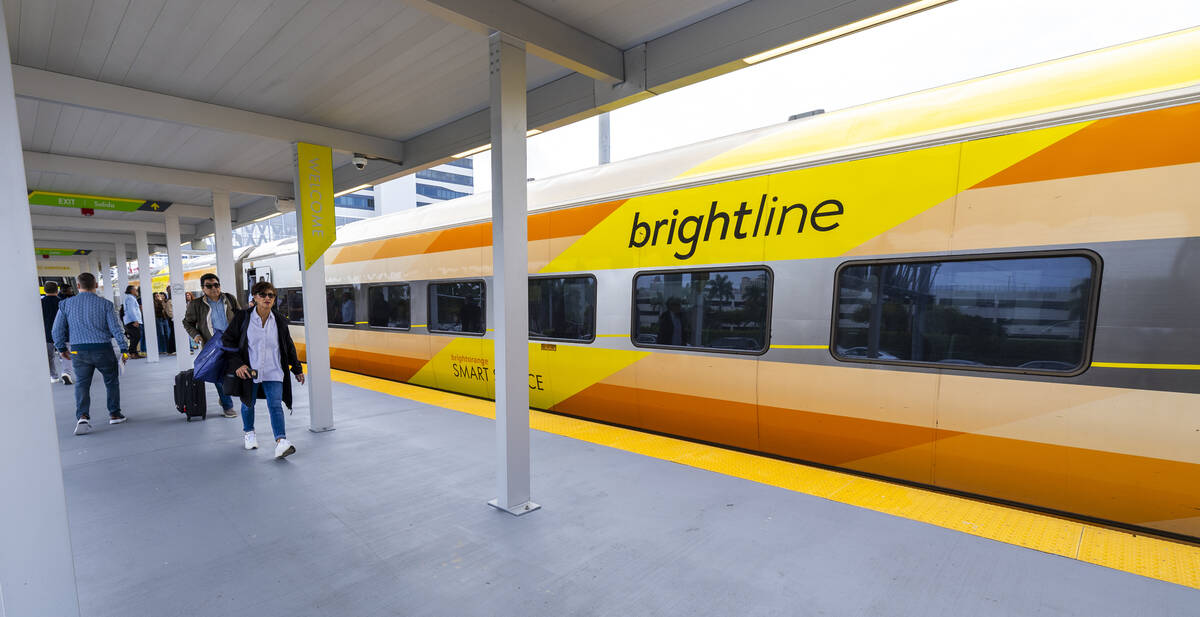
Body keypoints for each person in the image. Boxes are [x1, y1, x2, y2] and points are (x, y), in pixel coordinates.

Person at [222, 281, 304, 459]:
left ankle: (281, 441)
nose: (267, 298)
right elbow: (227, 341)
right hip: (250, 371)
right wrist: (238, 364)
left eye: (271, 295)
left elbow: (288, 346)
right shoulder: (243, 318)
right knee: (247, 403)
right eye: (263, 295)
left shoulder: (280, 321)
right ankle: (249, 433)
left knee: (275, 405)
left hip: (274, 370)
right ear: (255, 297)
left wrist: (297, 369)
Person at [52, 273, 129, 436]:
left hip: (78, 350)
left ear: (78, 286)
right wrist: (124, 349)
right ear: (96, 285)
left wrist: (61, 348)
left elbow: (56, 330)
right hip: (103, 349)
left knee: (81, 383)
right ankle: (115, 414)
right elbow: (116, 328)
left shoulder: (65, 304)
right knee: (111, 381)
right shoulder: (105, 304)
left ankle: (83, 416)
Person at [183, 273, 242, 418]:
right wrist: (196, 335)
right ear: (203, 288)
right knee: (219, 375)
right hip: (212, 345)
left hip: (232, 342)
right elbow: (187, 322)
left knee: (235, 373)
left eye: (216, 285)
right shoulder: (196, 304)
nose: (214, 288)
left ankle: (224, 398)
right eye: (209, 286)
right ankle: (228, 405)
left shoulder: (229, 298)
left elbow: (240, 316)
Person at [41, 281, 74, 385]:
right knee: (65, 354)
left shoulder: (40, 303)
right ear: (57, 290)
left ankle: (53, 376)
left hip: (46, 334)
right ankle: (66, 373)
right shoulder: (63, 302)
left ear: (45, 290)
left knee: (49, 356)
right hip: (63, 333)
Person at [123, 285, 144, 358]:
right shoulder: (130, 298)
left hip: (132, 321)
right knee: (136, 337)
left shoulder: (131, 298)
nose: (137, 291)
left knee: (134, 337)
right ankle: (132, 353)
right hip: (132, 321)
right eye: (135, 290)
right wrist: (135, 320)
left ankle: (134, 353)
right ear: (131, 291)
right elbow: (131, 310)